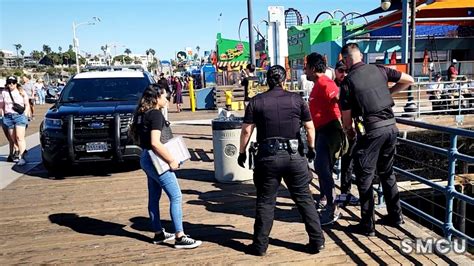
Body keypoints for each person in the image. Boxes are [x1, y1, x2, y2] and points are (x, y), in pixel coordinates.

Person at [238, 65, 325, 256]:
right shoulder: (296, 100)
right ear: (284, 80)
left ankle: (260, 246)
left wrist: (242, 152)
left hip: (267, 158)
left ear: (267, 81)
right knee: (304, 200)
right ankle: (317, 241)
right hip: (294, 156)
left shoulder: (256, 101)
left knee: (265, 202)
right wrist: (311, 149)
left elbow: (246, 130)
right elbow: (310, 128)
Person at [339, 43, 414, 236]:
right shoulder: (379, 69)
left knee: (364, 177)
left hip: (371, 131)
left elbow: (346, 119)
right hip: (391, 127)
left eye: (343, 61)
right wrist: (388, 93)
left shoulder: (348, 82)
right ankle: (396, 216)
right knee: (387, 172)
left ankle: (367, 225)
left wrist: (350, 133)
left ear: (347, 59)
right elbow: (409, 80)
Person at [131, 84, 201, 249]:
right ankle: (180, 236)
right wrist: (171, 160)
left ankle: (158, 233)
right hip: (157, 160)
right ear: (156, 98)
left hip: (145, 157)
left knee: (154, 197)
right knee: (176, 196)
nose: (167, 99)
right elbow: (156, 142)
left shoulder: (141, 113)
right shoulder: (155, 114)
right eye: (165, 96)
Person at [305, 53, 344, 226]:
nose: (304, 70)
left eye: (306, 67)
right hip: (322, 130)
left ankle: (333, 207)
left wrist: (347, 124)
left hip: (330, 130)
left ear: (313, 68)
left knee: (322, 167)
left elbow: (340, 98)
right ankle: (324, 199)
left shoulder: (325, 83)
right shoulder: (316, 84)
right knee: (322, 167)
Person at [333, 60, 359, 206]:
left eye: (346, 71)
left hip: (350, 129)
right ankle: (328, 194)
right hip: (335, 129)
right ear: (335, 71)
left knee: (348, 162)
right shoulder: (331, 86)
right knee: (330, 161)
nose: (344, 74)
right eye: (341, 71)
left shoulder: (350, 84)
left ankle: (345, 192)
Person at [0, 76, 30, 166]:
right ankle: (20, 152)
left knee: (19, 137)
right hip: (8, 117)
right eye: (9, 82)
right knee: (13, 139)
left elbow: (27, 104)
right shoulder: (4, 92)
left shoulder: (21, 92)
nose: (11, 84)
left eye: (13, 82)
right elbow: (1, 105)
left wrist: (25, 114)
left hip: (19, 116)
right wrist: (2, 114)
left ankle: (22, 157)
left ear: (16, 83)